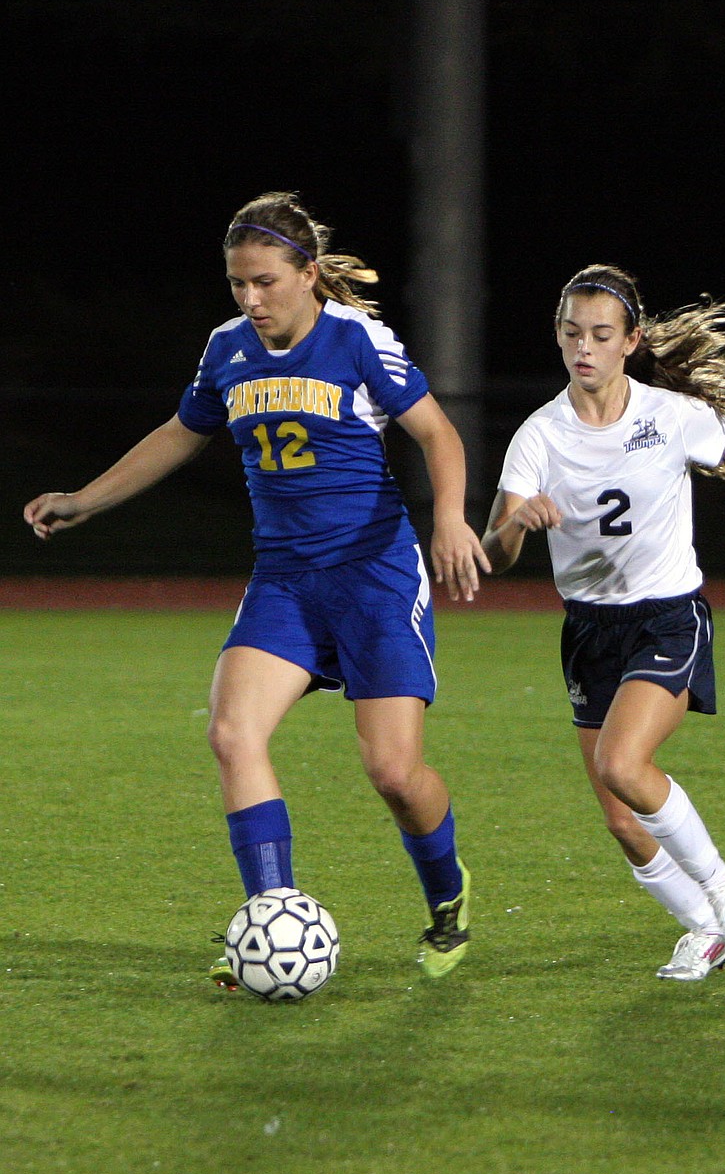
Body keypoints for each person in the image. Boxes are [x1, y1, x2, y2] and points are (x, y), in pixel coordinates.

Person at [24, 190, 491, 982]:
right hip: (284, 579)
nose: (251, 298)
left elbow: (438, 432)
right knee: (233, 735)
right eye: (238, 282)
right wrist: (84, 499)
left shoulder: (357, 342)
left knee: (393, 773)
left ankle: (448, 897)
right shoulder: (226, 350)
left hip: (373, 574)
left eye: (266, 281)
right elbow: (180, 434)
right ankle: (271, 922)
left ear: (308, 274)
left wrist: (449, 516)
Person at [481, 264, 725, 981]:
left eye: (600, 334)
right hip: (589, 630)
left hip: (667, 617)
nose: (584, 349)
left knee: (623, 764)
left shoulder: (667, 416)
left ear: (630, 340)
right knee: (621, 818)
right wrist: (516, 526)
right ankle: (704, 927)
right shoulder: (539, 435)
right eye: (572, 334)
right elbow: (492, 554)